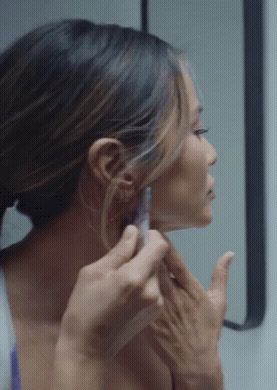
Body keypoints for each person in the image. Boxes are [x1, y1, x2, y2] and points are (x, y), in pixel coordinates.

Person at [0, 20, 234, 389]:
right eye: (196, 131)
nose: (212, 154)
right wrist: (83, 355)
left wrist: (201, 373)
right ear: (115, 167)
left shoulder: (166, 320)